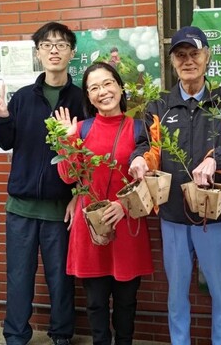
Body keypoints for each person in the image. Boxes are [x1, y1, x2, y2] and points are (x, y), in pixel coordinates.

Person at [129, 26, 221, 345]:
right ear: (172, 62)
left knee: (220, 293)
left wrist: (217, 159)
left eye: (194, 53)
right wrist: (140, 159)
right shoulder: (159, 105)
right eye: (181, 55)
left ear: (207, 56)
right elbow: (146, 144)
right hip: (171, 217)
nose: (188, 60)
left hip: (215, 217)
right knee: (176, 295)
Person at [0, 22, 83, 345]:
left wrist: (79, 195)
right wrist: (1, 118)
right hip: (21, 208)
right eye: (46, 44)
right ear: (38, 52)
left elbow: (89, 154)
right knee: (19, 278)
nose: (54, 50)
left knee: (61, 279)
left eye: (61, 44)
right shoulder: (24, 97)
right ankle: (15, 335)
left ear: (72, 51)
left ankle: (61, 334)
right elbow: (6, 142)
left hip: (61, 209)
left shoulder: (82, 100)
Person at [54, 62, 154, 345]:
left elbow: (148, 181)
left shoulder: (139, 129)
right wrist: (67, 140)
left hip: (127, 224)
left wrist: (123, 207)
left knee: (126, 302)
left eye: (108, 83)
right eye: (94, 88)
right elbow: (66, 177)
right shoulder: (81, 129)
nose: (103, 91)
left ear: (120, 87)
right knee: (96, 302)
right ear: (88, 96)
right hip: (91, 227)